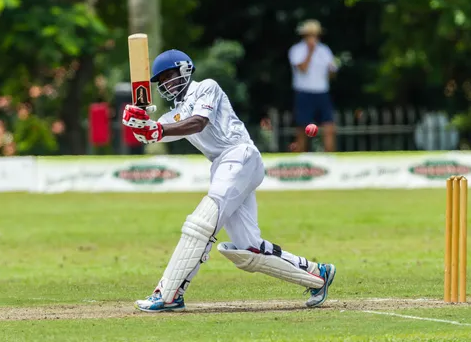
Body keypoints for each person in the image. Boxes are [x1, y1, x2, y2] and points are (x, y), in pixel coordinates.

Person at [122, 49, 336, 312]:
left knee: (201, 223)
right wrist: (138, 124)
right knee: (247, 250)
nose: (166, 83)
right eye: (161, 80)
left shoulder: (206, 88)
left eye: (169, 75)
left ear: (185, 70)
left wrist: (157, 128)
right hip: (223, 166)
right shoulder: (173, 115)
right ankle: (318, 275)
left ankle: (169, 294)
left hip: (239, 155)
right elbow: (154, 133)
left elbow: (198, 122)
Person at [288, 19, 338, 152]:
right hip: (304, 92)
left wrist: (331, 70)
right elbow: (302, 68)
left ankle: (331, 159)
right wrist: (310, 52)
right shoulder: (297, 50)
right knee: (303, 129)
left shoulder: (324, 50)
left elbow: (332, 73)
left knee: (329, 128)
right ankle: (300, 161)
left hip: (322, 92)